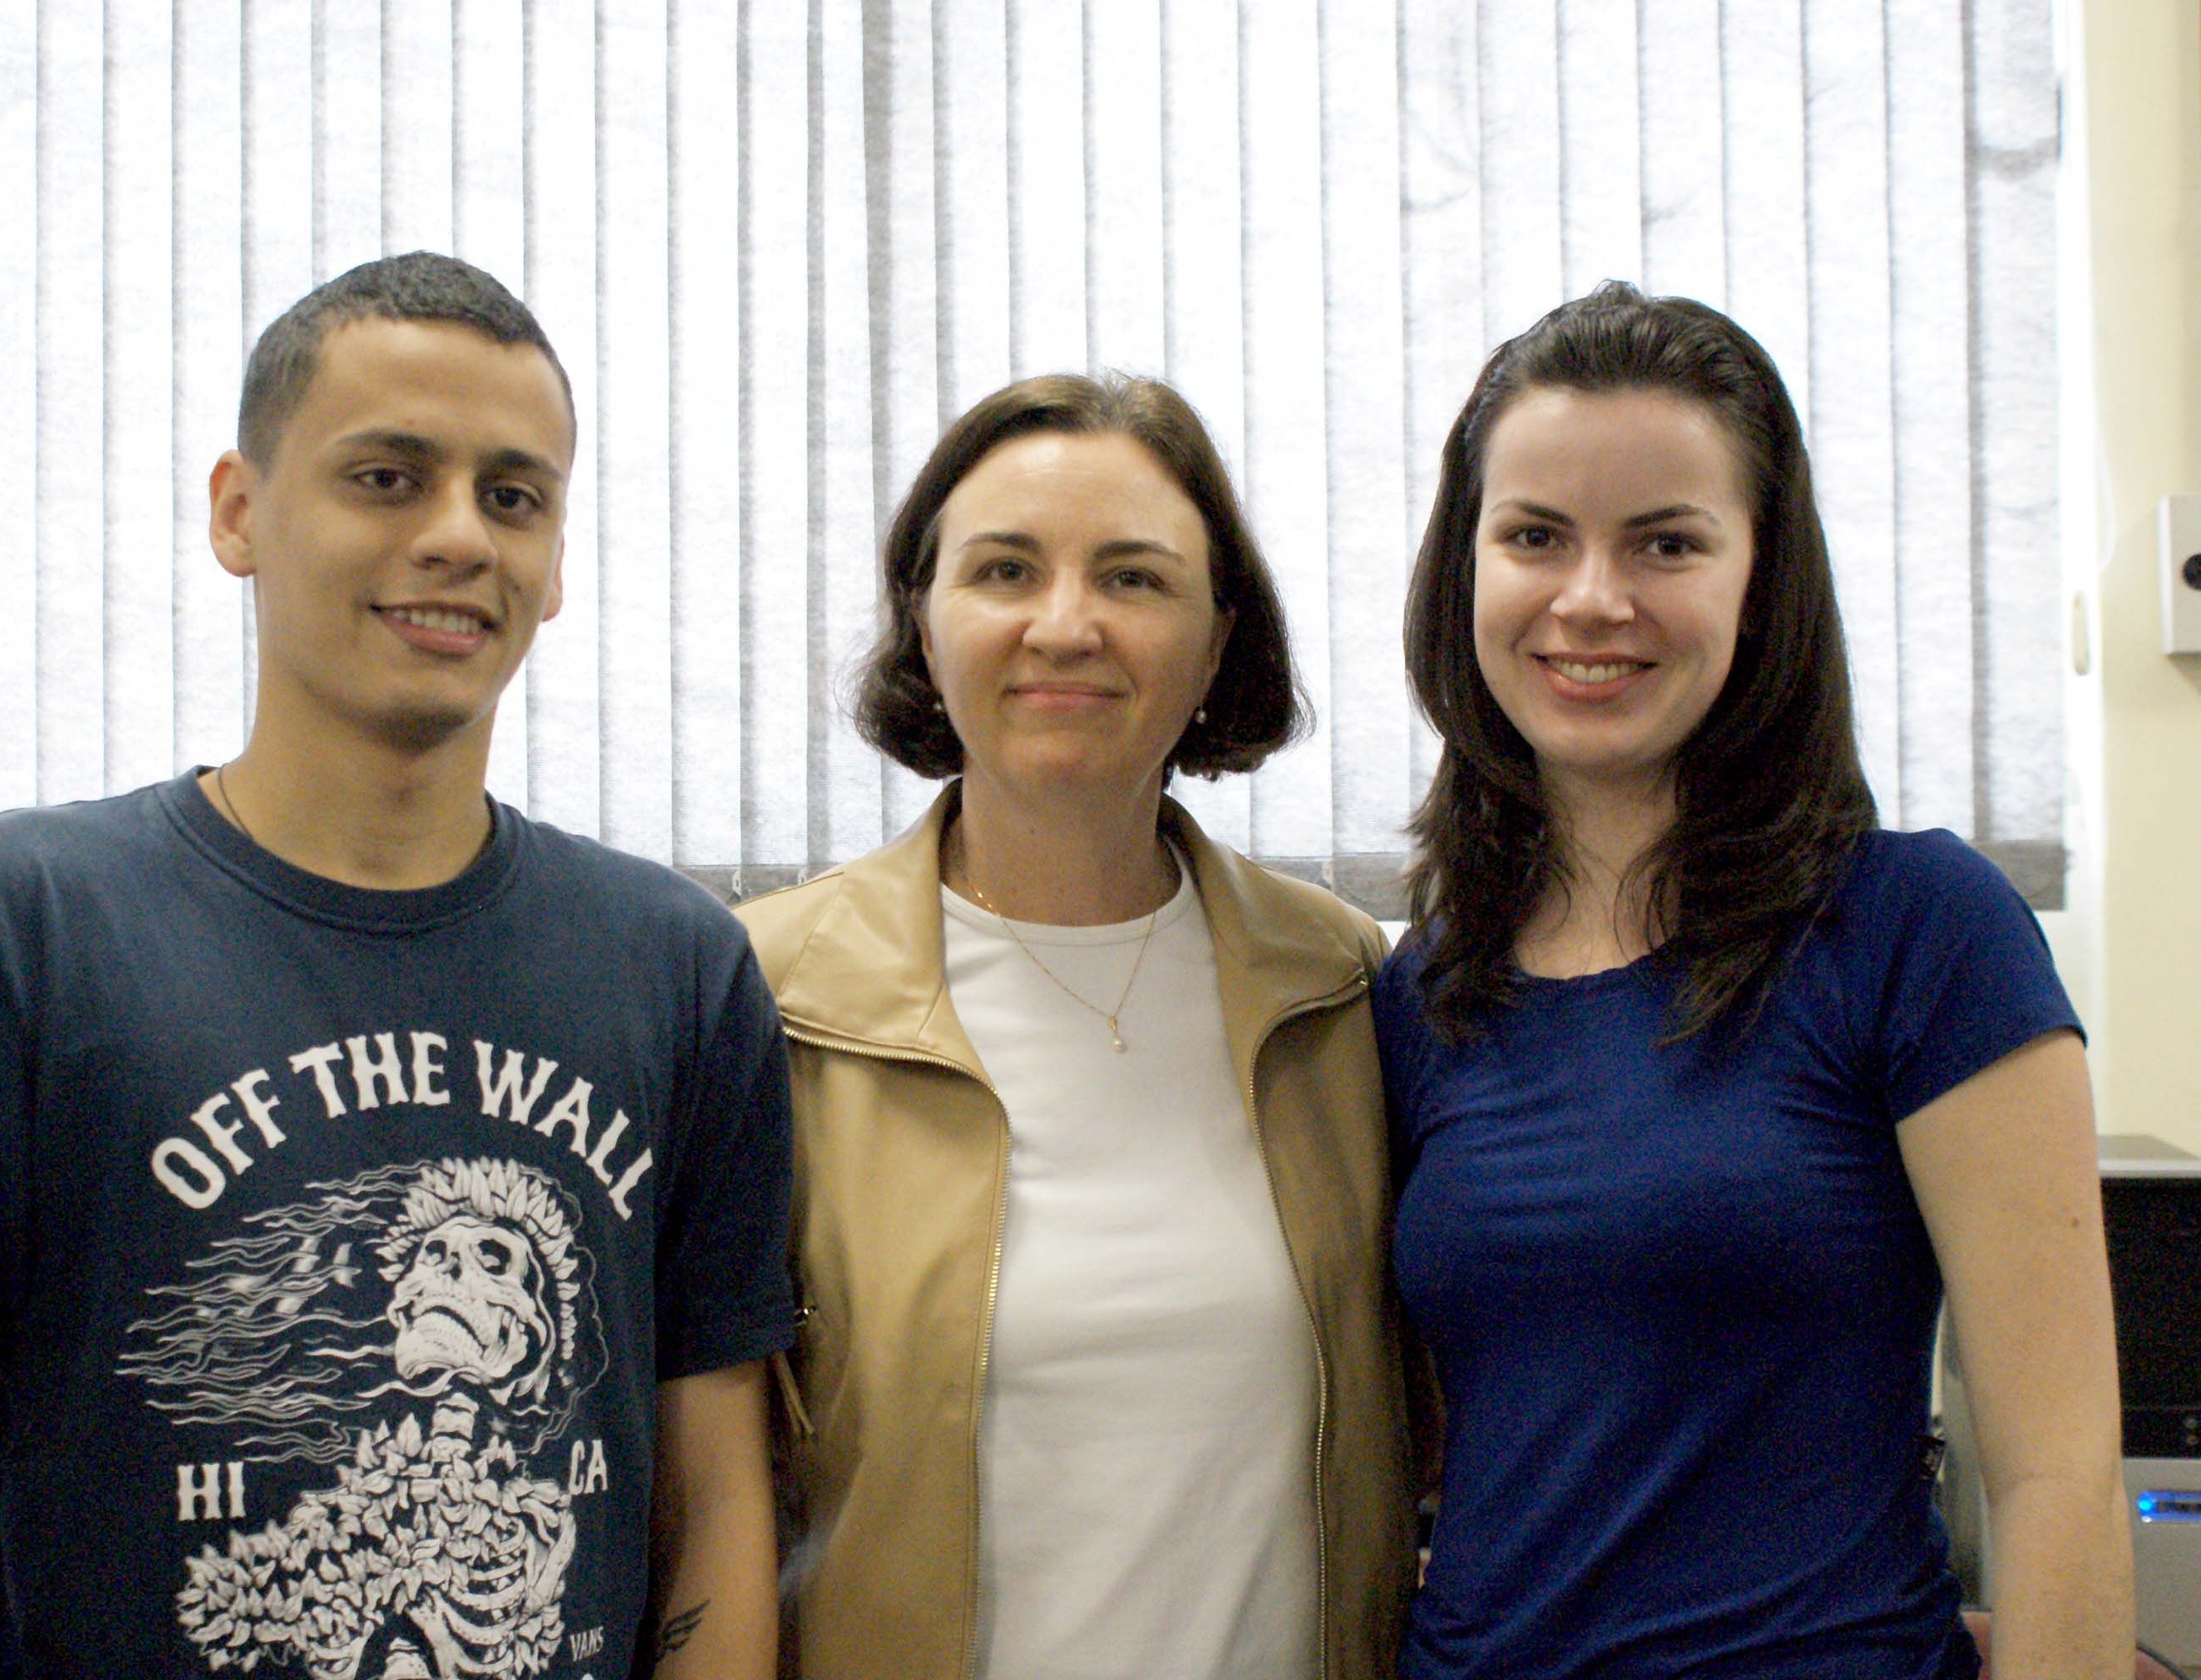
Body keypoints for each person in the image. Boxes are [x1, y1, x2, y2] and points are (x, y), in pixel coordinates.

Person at [0, 252, 793, 1680]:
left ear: (557, 560)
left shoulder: (677, 964)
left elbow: (713, 1495)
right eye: (388, 478)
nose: (462, 537)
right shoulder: (11, 923)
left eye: (513, 495)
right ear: (240, 512)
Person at [1375, 281, 2133, 1678]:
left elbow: (2057, 1473)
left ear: (1758, 576)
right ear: (1464, 568)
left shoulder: (1919, 928)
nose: (1590, 599)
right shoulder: (1423, 991)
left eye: (1666, 542)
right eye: (1534, 535)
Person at [735, 372, 1417, 1680]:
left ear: (1219, 642)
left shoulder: (1336, 989)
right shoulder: (769, 1001)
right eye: (1004, 571)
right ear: (923, 623)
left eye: (1134, 578)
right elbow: (698, 1492)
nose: (1066, 625)